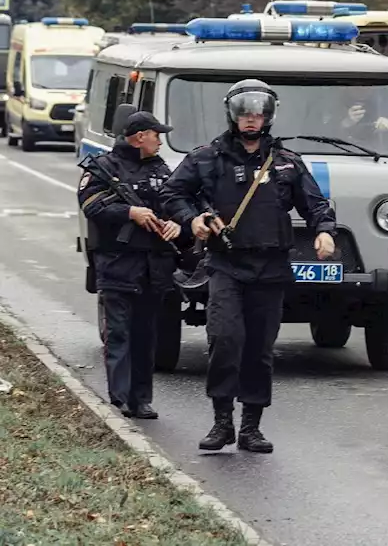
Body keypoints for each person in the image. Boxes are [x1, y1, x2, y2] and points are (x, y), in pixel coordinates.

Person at [162, 79, 337, 454]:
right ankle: (222, 420)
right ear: (233, 115)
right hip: (226, 264)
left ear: (268, 116)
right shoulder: (207, 158)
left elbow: (316, 205)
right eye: (245, 113)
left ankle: (251, 427)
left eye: (258, 113)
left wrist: (324, 232)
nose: (251, 120)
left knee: (260, 348)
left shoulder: (288, 163)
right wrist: (193, 218)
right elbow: (172, 193)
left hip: (271, 268)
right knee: (225, 339)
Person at [78, 111, 184, 420]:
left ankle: (142, 399)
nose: (160, 140)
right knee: (119, 334)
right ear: (140, 137)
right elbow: (91, 204)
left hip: (153, 267)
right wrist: (129, 213)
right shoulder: (104, 167)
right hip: (117, 265)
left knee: (145, 335)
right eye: (156, 135)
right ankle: (120, 398)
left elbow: (177, 202)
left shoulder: (162, 170)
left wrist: (177, 223)